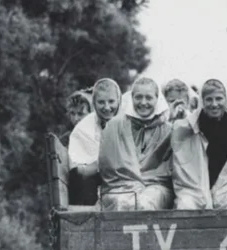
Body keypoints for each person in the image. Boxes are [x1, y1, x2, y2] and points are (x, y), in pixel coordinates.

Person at [171, 78, 227, 209]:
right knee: (186, 205)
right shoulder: (186, 127)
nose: (214, 104)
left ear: (226, 99)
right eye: (209, 99)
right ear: (202, 101)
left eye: (219, 99)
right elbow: (182, 166)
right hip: (196, 187)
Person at [98, 77, 174, 211]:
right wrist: (133, 186)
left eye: (149, 98)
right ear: (131, 97)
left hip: (156, 187)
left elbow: (170, 170)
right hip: (120, 187)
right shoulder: (115, 125)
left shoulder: (168, 130)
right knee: (123, 203)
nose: (143, 102)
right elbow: (108, 168)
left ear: (157, 99)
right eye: (138, 97)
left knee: (145, 203)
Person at [67, 78, 122, 206]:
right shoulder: (84, 128)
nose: (107, 107)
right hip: (95, 179)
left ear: (119, 101)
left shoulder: (127, 121)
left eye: (111, 101)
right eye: (101, 102)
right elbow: (80, 168)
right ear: (95, 104)